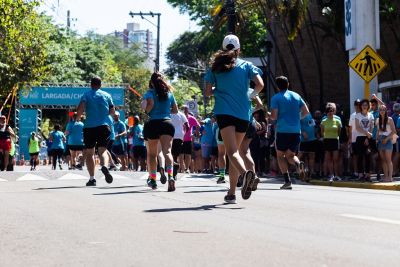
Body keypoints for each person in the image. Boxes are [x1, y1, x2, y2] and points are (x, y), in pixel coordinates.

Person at [204, 34, 264, 203]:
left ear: (224, 48)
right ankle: (231, 193)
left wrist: (218, 89)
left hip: (224, 112)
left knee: (232, 152)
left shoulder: (216, 67)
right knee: (234, 153)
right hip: (243, 114)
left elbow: (208, 92)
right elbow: (260, 85)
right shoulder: (247, 65)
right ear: (238, 49)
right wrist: (250, 95)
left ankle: (246, 176)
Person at [270, 76, 309, 190]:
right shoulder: (296, 96)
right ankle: (298, 164)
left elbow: (274, 116)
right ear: (288, 84)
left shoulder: (276, 98)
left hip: (282, 130)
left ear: (278, 86)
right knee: (291, 156)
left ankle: (287, 181)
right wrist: (297, 119)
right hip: (296, 131)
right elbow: (306, 112)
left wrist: (270, 116)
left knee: (280, 156)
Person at [142, 72, 178, 191]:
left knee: (152, 154)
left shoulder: (149, 93)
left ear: (151, 82)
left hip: (153, 124)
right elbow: (175, 110)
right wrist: (165, 111)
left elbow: (150, 105)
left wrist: (147, 112)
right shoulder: (169, 93)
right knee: (167, 152)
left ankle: (153, 179)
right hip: (167, 123)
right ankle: (171, 177)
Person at [77, 76, 114, 186]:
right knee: (102, 151)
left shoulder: (86, 94)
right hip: (104, 126)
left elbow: (81, 108)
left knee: (90, 153)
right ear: (100, 84)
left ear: (91, 84)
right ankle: (104, 166)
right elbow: (112, 111)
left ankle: (92, 179)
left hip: (89, 127)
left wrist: (78, 117)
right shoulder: (107, 95)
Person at [320, 103, 342, 181]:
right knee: (329, 159)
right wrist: (325, 137)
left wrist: (335, 136)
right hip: (327, 140)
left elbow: (339, 131)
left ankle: (337, 175)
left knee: (335, 159)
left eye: (332, 111)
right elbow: (322, 132)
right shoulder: (323, 121)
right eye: (328, 111)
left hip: (335, 140)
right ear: (326, 112)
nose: (330, 112)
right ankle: (331, 175)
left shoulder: (338, 120)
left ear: (334, 111)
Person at [354, 99, 374, 182]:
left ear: (368, 106)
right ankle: (360, 175)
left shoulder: (371, 115)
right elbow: (358, 127)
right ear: (360, 106)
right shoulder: (357, 115)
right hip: (360, 137)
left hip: (368, 138)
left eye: (366, 105)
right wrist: (366, 133)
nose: (364, 106)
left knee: (368, 156)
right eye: (363, 105)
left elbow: (372, 127)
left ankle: (368, 175)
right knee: (360, 156)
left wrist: (367, 137)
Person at [376, 105, 396, 182]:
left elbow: (394, 131)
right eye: (380, 109)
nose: (382, 111)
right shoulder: (378, 120)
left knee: (388, 159)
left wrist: (386, 139)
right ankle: (386, 176)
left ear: (386, 110)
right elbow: (378, 131)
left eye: (383, 109)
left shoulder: (390, 119)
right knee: (383, 160)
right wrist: (377, 139)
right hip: (380, 140)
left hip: (388, 139)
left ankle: (390, 177)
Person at [299, 109, 317, 180]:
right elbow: (297, 124)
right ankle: (299, 171)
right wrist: (303, 132)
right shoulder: (299, 114)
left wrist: (316, 133)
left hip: (312, 138)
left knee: (312, 155)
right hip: (303, 139)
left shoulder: (309, 114)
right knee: (300, 155)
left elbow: (312, 124)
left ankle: (311, 172)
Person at [170, 108, 188, 178]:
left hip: (169, 135)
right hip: (179, 136)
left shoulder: (168, 113)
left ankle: (171, 170)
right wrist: (184, 134)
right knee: (176, 155)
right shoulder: (181, 114)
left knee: (169, 153)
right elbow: (187, 125)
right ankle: (175, 166)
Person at [181, 106, 200, 173]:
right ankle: (181, 167)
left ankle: (186, 168)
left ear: (188, 110)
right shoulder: (179, 116)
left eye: (186, 109)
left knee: (188, 154)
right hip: (179, 138)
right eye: (183, 109)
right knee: (180, 154)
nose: (185, 111)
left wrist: (196, 133)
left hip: (188, 139)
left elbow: (198, 125)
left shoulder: (191, 118)